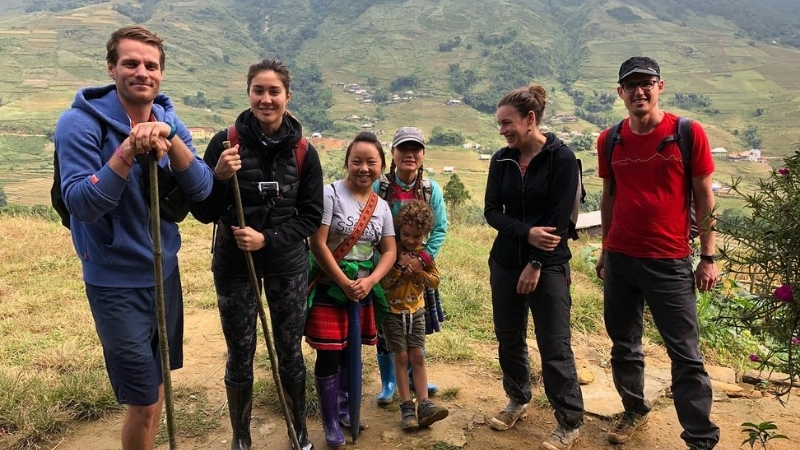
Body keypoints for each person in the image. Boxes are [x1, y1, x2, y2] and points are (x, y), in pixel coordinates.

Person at [54, 25, 213, 449]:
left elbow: (201, 189)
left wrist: (169, 137)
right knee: (143, 398)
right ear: (112, 68)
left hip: (164, 272)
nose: (142, 72)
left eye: (151, 65)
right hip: (114, 280)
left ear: (160, 73)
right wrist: (126, 151)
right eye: (131, 63)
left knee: (157, 387)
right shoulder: (78, 124)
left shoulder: (167, 117)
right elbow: (82, 203)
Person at [189, 58, 323, 450]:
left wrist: (269, 239)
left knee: (289, 350)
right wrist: (218, 176)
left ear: (287, 96)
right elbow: (203, 212)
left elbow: (311, 217)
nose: (266, 99)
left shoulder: (303, 152)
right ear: (248, 93)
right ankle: (240, 437)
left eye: (274, 91)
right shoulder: (224, 142)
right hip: (234, 266)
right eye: (258, 91)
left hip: (287, 266)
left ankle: (297, 431)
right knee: (240, 350)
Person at [595, 56, 720, 450]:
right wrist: (604, 248)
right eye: (630, 86)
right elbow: (609, 194)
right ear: (621, 93)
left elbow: (704, 194)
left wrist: (709, 255)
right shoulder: (610, 138)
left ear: (660, 87)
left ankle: (700, 437)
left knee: (685, 352)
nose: (639, 91)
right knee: (623, 343)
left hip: (669, 259)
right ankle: (633, 409)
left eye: (646, 83)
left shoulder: (686, 132)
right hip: (620, 258)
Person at [484, 84, 584, 450]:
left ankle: (569, 420)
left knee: (554, 344)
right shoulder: (501, 160)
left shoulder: (562, 159)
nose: (502, 130)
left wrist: (537, 261)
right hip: (505, 261)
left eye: (507, 123)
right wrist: (527, 234)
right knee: (508, 336)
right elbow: (492, 211)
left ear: (530, 119)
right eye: (499, 124)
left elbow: (561, 220)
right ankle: (518, 398)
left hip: (550, 266)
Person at [305, 132, 397, 449]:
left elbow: (388, 252)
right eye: (356, 161)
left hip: (362, 292)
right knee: (329, 354)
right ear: (347, 162)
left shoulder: (382, 207)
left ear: (381, 166)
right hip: (332, 289)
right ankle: (330, 420)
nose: (363, 167)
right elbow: (317, 243)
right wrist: (344, 282)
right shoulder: (330, 194)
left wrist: (370, 282)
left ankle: (346, 410)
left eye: (371, 162)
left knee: (351, 353)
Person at [372, 126, 448, 405]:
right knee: (387, 325)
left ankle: (418, 378)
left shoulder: (431, 190)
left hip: (417, 272)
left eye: (415, 149)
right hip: (386, 269)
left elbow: (439, 229)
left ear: (423, 154)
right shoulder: (379, 187)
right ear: (392, 153)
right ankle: (388, 382)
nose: (409, 154)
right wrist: (390, 258)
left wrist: (420, 259)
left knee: (417, 323)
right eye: (403, 148)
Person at [380, 199, 449, 430]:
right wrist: (399, 267)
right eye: (406, 234)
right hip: (393, 313)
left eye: (417, 237)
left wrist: (420, 272)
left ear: (424, 236)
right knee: (400, 357)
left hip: (416, 312)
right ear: (399, 230)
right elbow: (384, 284)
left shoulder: (423, 256)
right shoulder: (392, 252)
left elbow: (436, 281)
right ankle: (407, 407)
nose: (411, 240)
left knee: (418, 356)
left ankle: (425, 405)